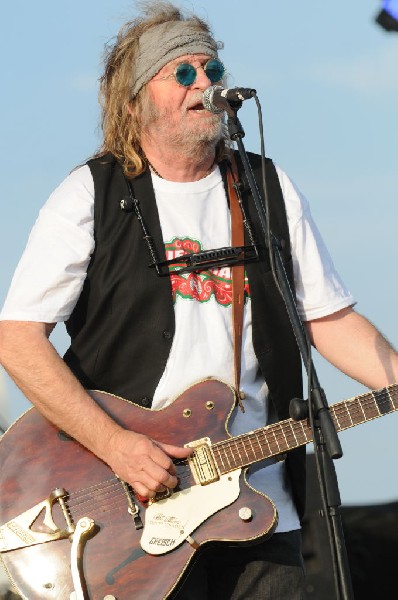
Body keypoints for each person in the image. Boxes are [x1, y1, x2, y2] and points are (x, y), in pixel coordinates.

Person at [0, 2, 397, 599]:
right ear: (135, 101)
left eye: (211, 69)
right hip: (127, 511)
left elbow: (328, 317)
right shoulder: (92, 193)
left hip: (261, 506)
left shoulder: (265, 188)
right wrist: (117, 445)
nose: (206, 84)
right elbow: (16, 338)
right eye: (182, 73)